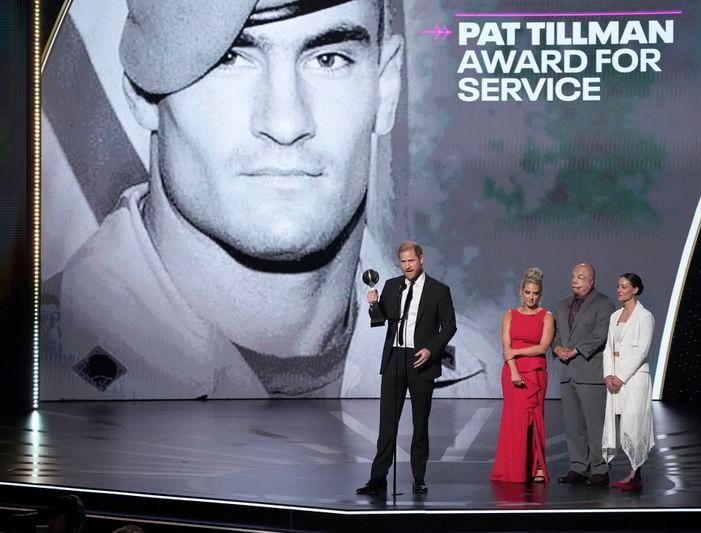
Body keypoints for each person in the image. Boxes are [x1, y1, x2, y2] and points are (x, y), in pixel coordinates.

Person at [41, 0, 492, 400]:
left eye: (329, 59)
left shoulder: (480, 382)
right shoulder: (34, 375)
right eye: (230, 59)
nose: (285, 121)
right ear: (142, 92)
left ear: (386, 87)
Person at [356, 241, 456, 496]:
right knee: (387, 424)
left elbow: (449, 325)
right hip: (394, 358)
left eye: (411, 261)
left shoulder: (438, 290)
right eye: (403, 262)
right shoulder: (392, 285)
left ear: (421, 259)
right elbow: (381, 321)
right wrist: (373, 305)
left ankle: (418, 478)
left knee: (420, 423)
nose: (407, 266)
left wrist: (431, 350)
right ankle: (378, 479)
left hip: (421, 360)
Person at [552, 262, 615, 486]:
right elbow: (556, 333)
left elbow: (601, 334)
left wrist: (576, 350)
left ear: (591, 281)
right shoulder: (562, 304)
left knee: (595, 424)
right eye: (572, 276)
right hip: (567, 371)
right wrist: (557, 348)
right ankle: (578, 466)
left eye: (580, 277)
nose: (574, 280)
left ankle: (600, 468)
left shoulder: (604, 304)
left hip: (589, 370)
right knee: (573, 424)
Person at [490, 267, 554, 483]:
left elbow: (543, 347)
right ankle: (514, 468)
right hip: (512, 372)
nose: (531, 297)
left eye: (535, 293)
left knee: (535, 420)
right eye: (528, 292)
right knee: (514, 422)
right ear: (521, 291)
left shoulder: (547, 316)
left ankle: (536, 467)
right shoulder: (509, 315)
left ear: (540, 294)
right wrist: (514, 371)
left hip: (536, 373)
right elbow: (505, 346)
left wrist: (517, 352)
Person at [602, 273, 655, 491]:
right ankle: (623, 470)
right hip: (614, 378)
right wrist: (608, 375)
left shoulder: (645, 317)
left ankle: (636, 473)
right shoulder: (615, 316)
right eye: (618, 286)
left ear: (635, 290)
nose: (619, 290)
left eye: (624, 286)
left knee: (633, 424)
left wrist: (621, 377)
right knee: (616, 423)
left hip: (634, 378)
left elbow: (641, 351)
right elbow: (608, 347)